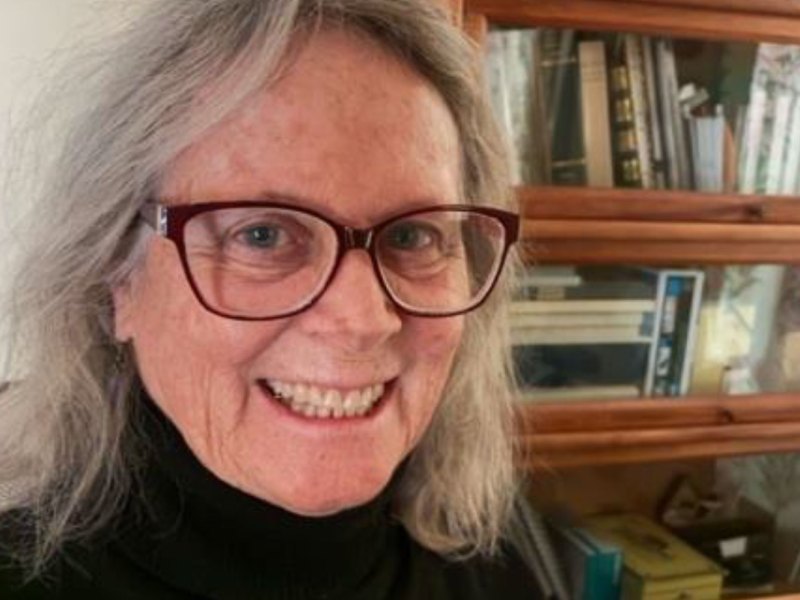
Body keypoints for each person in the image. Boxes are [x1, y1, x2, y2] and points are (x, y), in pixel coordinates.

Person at [0, 0, 544, 598]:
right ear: (116, 277)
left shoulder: (496, 565)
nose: (361, 321)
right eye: (261, 236)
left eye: (413, 236)